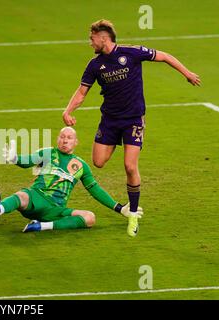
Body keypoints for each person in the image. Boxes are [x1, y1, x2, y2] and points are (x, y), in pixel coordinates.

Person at [62, 19, 200, 236]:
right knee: (98, 162)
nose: (90, 43)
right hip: (109, 120)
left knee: (129, 166)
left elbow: (163, 56)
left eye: (92, 39)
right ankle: (115, 142)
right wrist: (68, 111)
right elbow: (81, 92)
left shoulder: (132, 53)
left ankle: (133, 212)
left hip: (134, 119)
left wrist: (187, 73)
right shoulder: (95, 65)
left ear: (103, 37)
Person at [0, 127, 143, 235]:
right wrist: (15, 158)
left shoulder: (81, 166)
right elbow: (28, 160)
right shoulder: (47, 153)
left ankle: (40, 226)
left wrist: (119, 208)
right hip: (37, 197)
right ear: (57, 139)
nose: (65, 140)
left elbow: (95, 190)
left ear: (76, 142)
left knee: (90, 218)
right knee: (21, 196)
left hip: (56, 210)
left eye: (69, 138)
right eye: (62, 137)